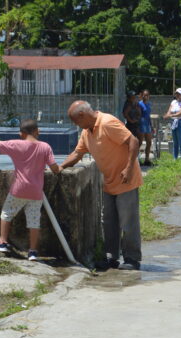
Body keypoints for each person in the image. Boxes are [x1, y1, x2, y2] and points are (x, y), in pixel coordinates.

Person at [61, 100, 143, 271]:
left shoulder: (107, 122)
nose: (76, 125)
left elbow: (133, 142)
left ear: (83, 115)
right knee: (108, 221)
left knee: (128, 221)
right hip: (109, 181)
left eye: (76, 121)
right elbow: (77, 153)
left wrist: (128, 168)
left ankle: (132, 258)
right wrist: (59, 167)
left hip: (125, 179)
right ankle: (111, 257)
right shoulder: (87, 131)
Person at [0, 119, 61, 260]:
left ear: (21, 134)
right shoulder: (45, 147)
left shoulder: (16, 144)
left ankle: (2, 241)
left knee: (7, 213)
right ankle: (33, 251)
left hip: (19, 190)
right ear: (37, 131)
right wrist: (61, 168)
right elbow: (54, 168)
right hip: (36, 191)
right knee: (34, 221)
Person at [163, 88, 181, 159]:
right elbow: (169, 111)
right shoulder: (173, 102)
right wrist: (166, 115)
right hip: (173, 122)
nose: (177, 95)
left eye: (179, 94)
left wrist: (171, 115)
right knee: (175, 142)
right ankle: (175, 158)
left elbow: (180, 113)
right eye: (176, 93)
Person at [138, 89, 153, 165]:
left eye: (147, 95)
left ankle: (147, 159)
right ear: (142, 95)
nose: (145, 96)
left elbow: (149, 116)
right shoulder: (139, 104)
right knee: (140, 142)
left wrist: (152, 126)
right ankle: (137, 159)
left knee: (149, 142)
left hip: (147, 124)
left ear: (149, 96)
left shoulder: (149, 104)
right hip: (141, 123)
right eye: (144, 95)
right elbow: (138, 115)